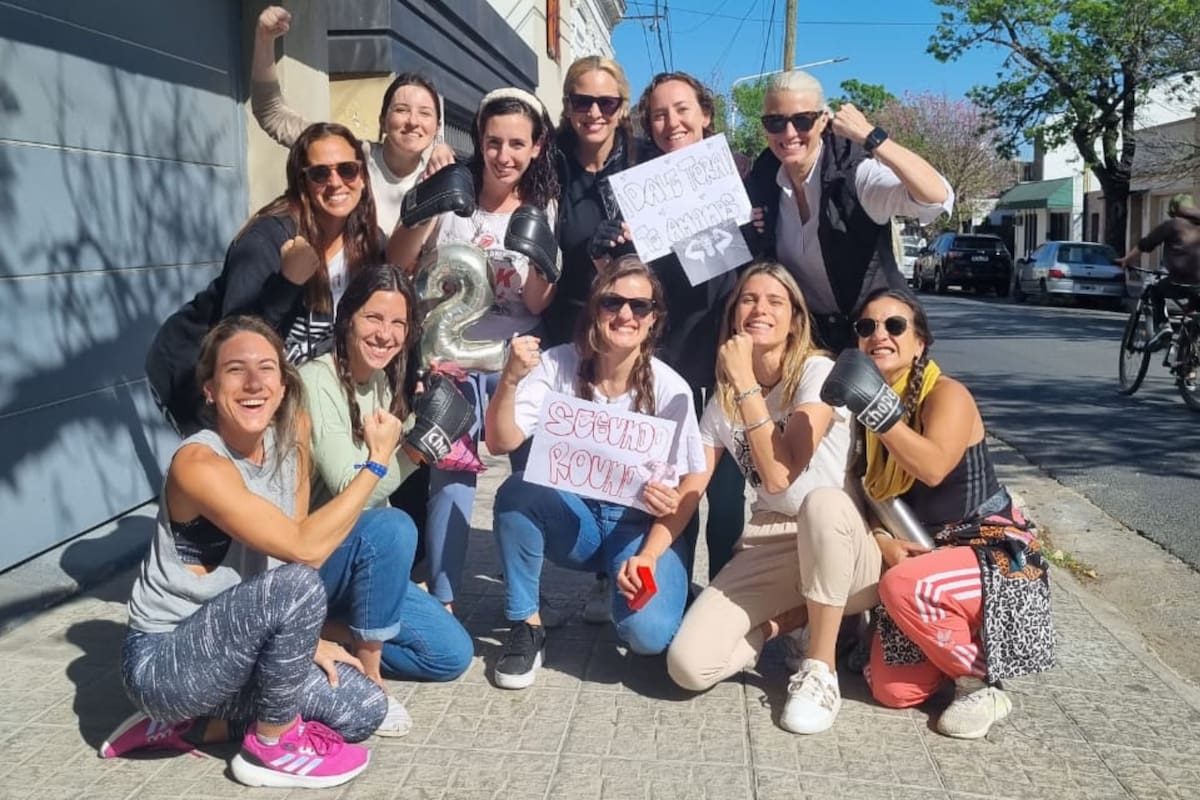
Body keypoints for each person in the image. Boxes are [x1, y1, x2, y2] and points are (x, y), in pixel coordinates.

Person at [107, 317, 393, 789]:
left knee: (363, 706)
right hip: (165, 663)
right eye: (236, 370)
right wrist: (376, 462)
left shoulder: (291, 439)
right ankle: (271, 747)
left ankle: (192, 727)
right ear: (210, 390)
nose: (255, 383)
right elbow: (305, 551)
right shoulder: (198, 463)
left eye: (267, 369)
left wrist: (302, 644)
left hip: (240, 652)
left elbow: (295, 554)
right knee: (301, 585)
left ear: (283, 387)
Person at [818, 288, 1054, 739]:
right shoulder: (868, 413)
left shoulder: (947, 395)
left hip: (993, 555)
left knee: (902, 585)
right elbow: (870, 494)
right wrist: (882, 541)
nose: (879, 335)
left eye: (894, 326)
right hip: (925, 558)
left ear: (920, 343)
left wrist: (879, 411)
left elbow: (932, 467)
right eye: (867, 327)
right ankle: (953, 643)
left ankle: (980, 682)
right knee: (892, 691)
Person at [483, 256, 707, 689]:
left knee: (647, 637)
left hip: (636, 527)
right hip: (578, 520)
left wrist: (666, 515)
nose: (625, 314)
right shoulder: (557, 365)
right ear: (594, 309)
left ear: (653, 319)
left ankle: (670, 592)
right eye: (612, 302)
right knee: (517, 491)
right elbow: (500, 441)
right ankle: (526, 624)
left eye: (639, 306)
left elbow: (693, 477)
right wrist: (509, 380)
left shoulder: (670, 387)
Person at [665, 263, 863, 728]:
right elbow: (691, 486)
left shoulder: (818, 373)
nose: (760, 309)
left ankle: (820, 669)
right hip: (771, 540)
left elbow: (779, 475)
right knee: (687, 666)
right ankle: (793, 619)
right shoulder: (724, 399)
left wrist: (746, 384)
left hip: (841, 542)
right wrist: (651, 548)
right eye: (749, 300)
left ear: (795, 320)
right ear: (734, 315)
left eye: (775, 301)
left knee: (821, 503)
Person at [387, 88, 561, 611]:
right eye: (493, 142)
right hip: (452, 357)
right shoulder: (452, 193)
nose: (504, 155)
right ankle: (443, 599)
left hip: (518, 358)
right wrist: (423, 209)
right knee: (450, 477)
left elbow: (537, 300)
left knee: (529, 478)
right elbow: (397, 262)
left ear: (536, 147)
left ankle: (526, 602)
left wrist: (542, 260)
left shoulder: (543, 206)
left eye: (517, 144)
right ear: (479, 140)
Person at [589, 71, 747, 580]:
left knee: (726, 491)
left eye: (682, 110)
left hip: (727, 359)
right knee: (664, 484)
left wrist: (756, 223)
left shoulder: (742, 174)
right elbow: (622, 279)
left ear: (705, 114)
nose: (671, 122)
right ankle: (666, 582)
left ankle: (723, 589)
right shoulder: (636, 189)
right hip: (664, 360)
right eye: (658, 114)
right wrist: (610, 248)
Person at [299, 264, 475, 690]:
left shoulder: (379, 380)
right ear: (347, 318)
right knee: (394, 526)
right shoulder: (315, 380)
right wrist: (415, 451)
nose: (386, 334)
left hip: (360, 558)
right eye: (374, 318)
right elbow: (351, 488)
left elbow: (383, 466)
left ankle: (324, 631)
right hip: (312, 558)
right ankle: (368, 678)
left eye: (399, 323)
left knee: (451, 653)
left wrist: (425, 415)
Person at [146, 122, 383, 434]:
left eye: (347, 170)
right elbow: (234, 338)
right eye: (320, 174)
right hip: (197, 373)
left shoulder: (367, 244)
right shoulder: (267, 241)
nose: (335, 182)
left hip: (274, 379)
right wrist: (287, 283)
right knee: (226, 460)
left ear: (363, 177)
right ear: (302, 182)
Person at [744, 70, 953, 353]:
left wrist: (872, 137)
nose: (789, 133)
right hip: (809, 338)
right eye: (775, 122)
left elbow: (935, 195)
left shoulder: (854, 173)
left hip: (874, 336)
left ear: (823, 120)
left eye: (803, 120)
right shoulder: (763, 178)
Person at [543, 56, 640, 622]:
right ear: (568, 105)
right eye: (583, 101)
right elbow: (495, 162)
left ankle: (616, 571)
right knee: (569, 456)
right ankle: (568, 553)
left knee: (622, 452)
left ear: (623, 107)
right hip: (565, 322)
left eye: (607, 102)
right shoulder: (550, 159)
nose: (594, 112)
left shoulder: (645, 159)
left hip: (629, 325)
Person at [250, 5, 454, 233]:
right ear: (382, 121)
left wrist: (442, 148)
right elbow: (271, 114)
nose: (413, 121)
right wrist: (264, 40)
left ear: (437, 127)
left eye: (424, 113)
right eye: (401, 109)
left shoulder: (441, 178)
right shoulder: (351, 156)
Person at [1118, 192, 1200, 347]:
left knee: (1155, 290)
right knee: (1193, 309)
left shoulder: (1172, 225)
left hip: (1179, 281)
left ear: (1173, 209)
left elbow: (1146, 244)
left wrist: (1126, 259)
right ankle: (1189, 357)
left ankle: (1163, 326)